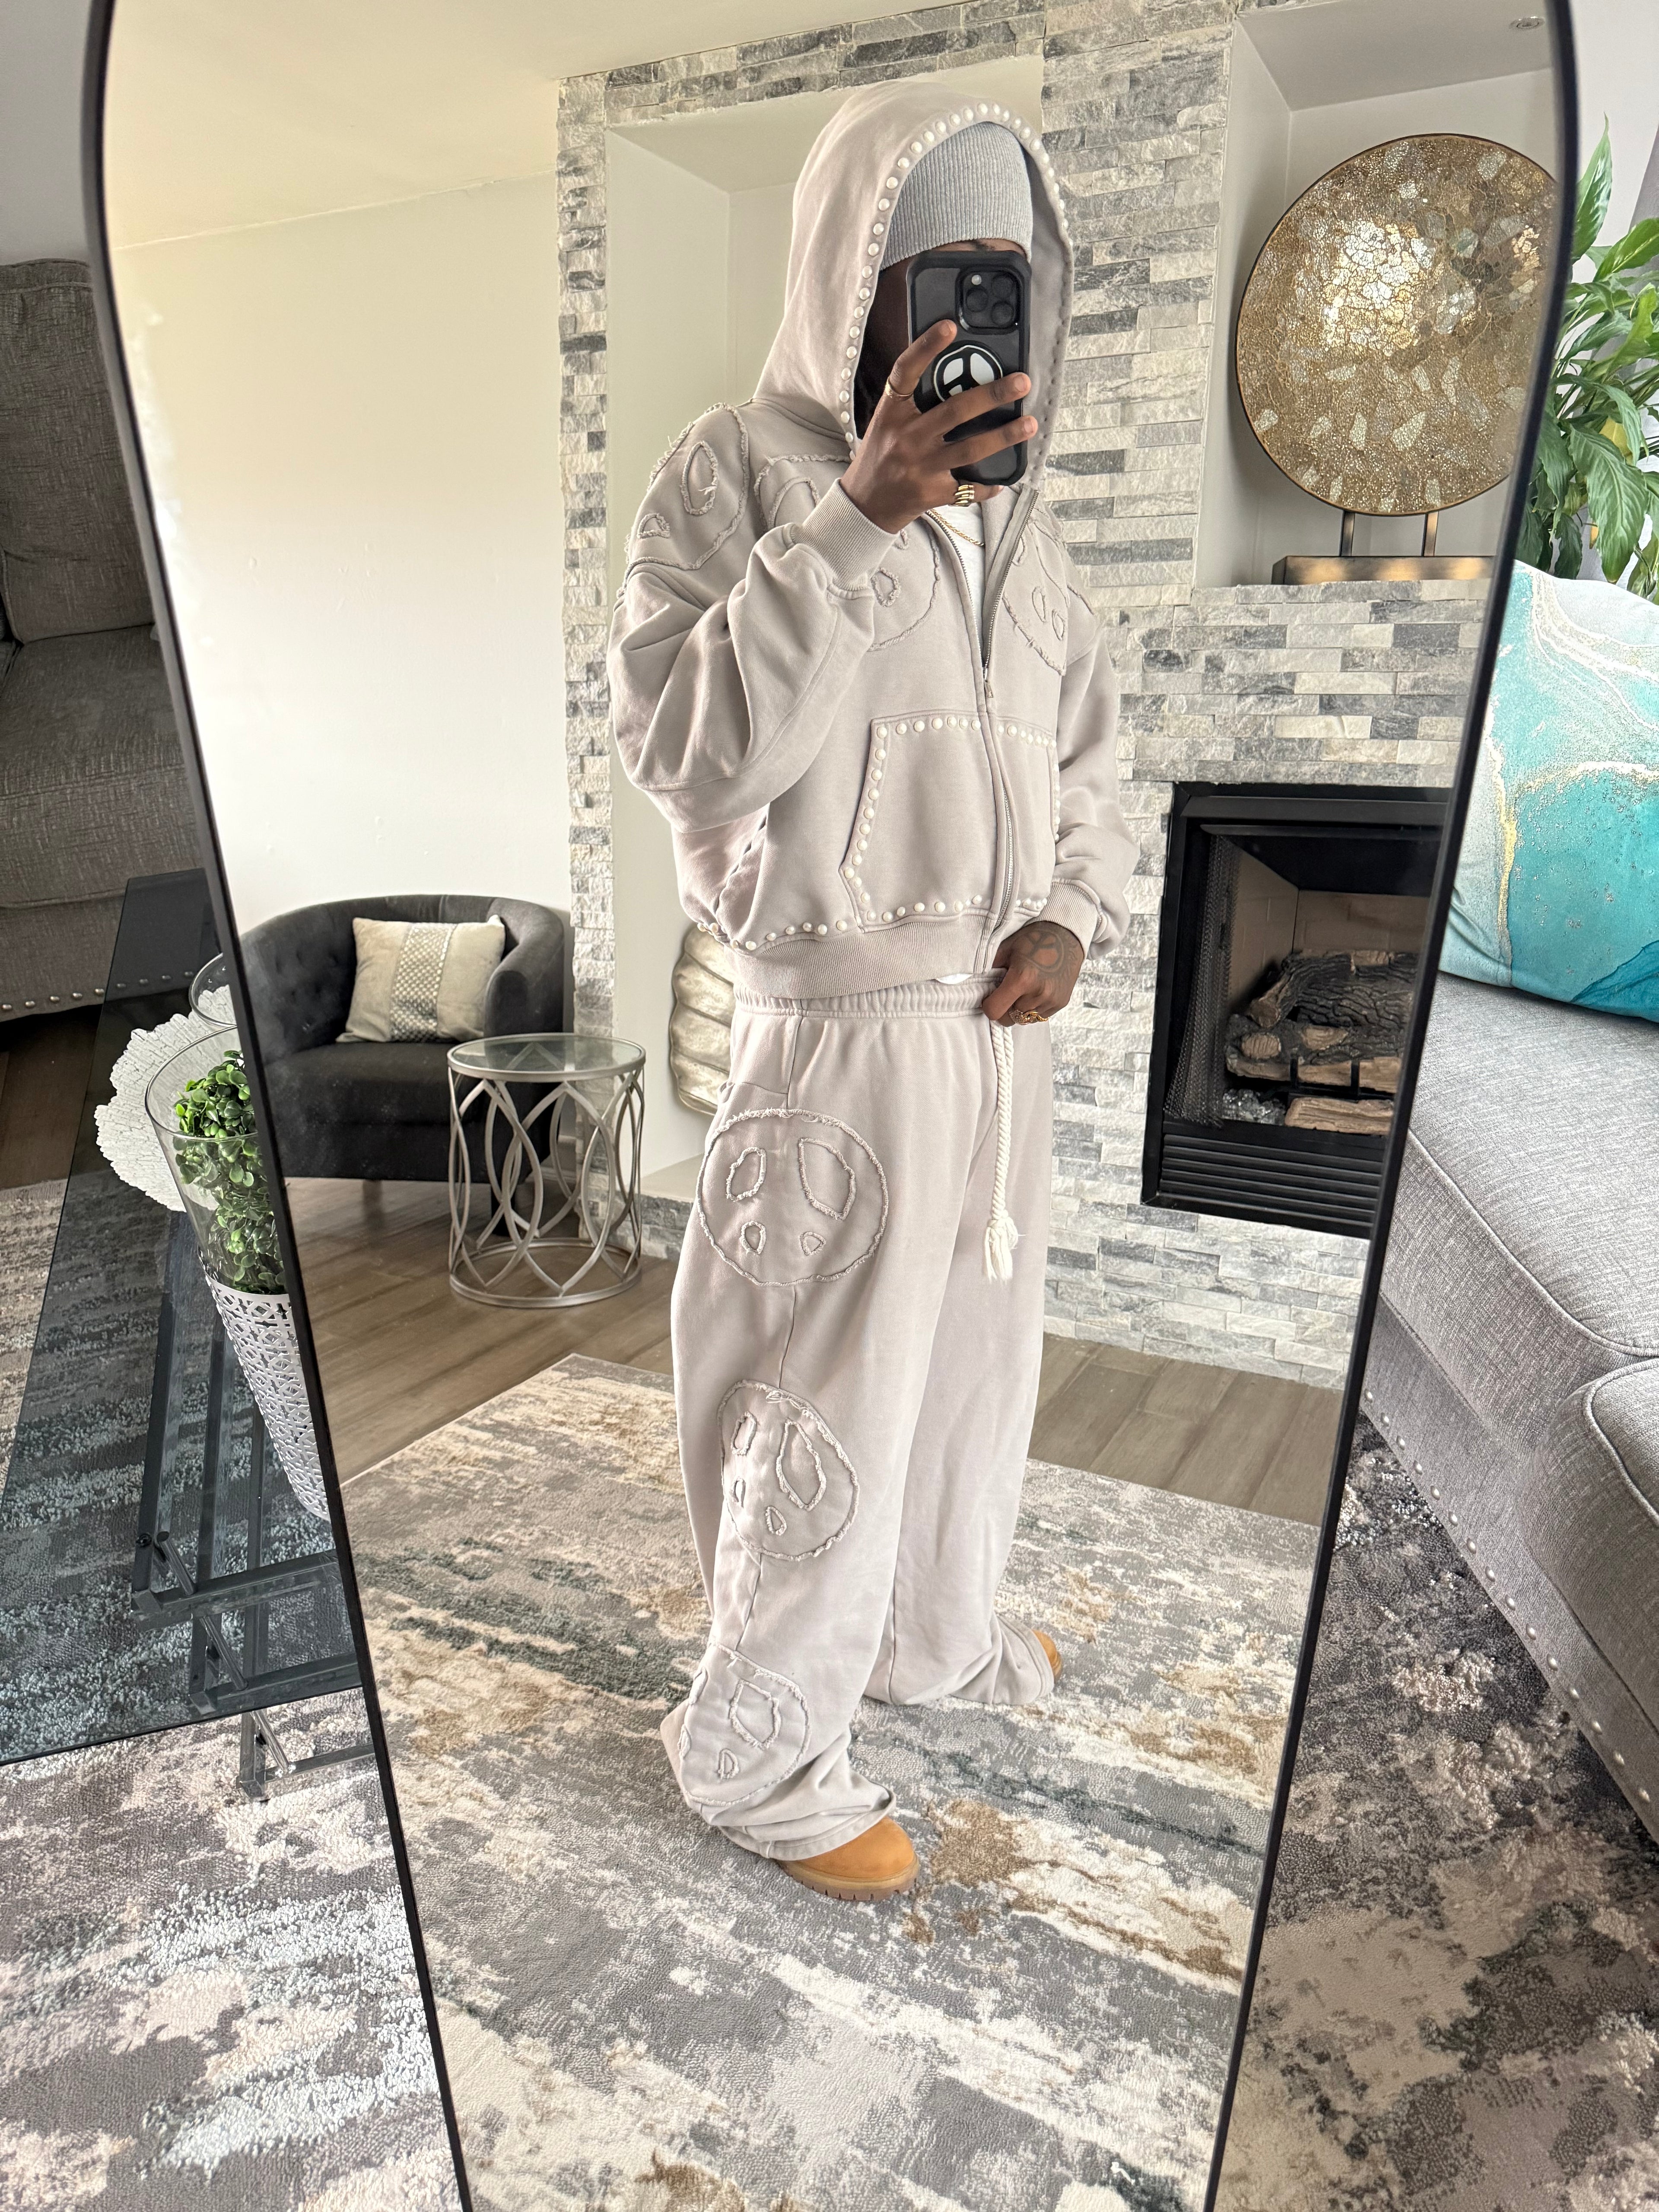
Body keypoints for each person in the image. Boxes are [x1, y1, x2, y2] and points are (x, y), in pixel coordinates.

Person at [608, 79, 1137, 1903]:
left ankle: (929, 1639)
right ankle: (756, 1751)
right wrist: (856, 518)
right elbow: (688, 754)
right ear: (859, 270)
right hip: (831, 1029)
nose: (972, 314)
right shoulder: (733, 473)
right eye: (937, 269)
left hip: (995, 1039)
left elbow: (1094, 760)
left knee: (974, 1377)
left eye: (1005, 278)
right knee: (812, 1394)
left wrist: (1072, 913)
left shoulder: (1027, 527)